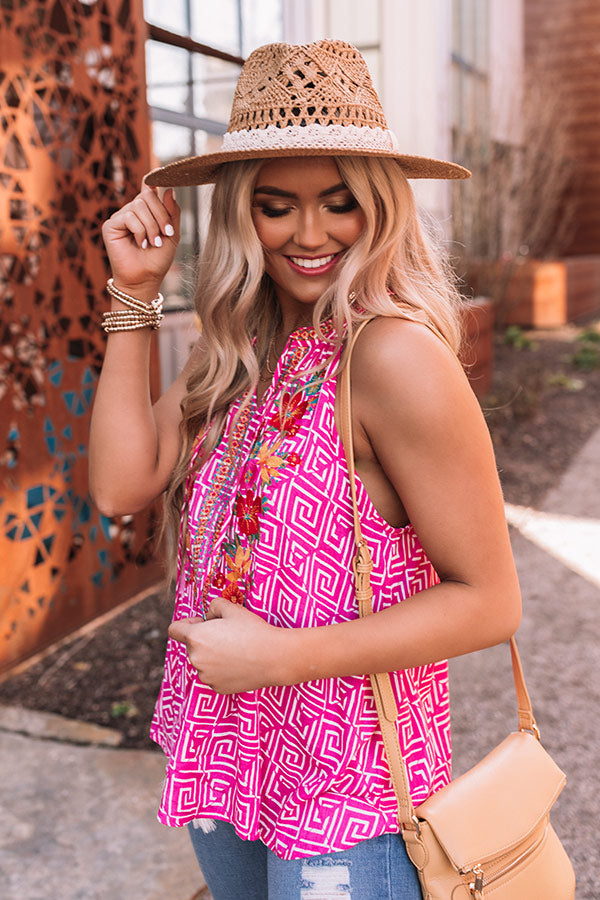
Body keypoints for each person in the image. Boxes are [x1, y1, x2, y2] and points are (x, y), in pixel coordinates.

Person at [89, 40, 521, 900]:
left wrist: (279, 658)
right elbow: (119, 485)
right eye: (278, 206)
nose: (311, 235)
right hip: (228, 754)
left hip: (346, 789)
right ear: (245, 214)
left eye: (339, 202)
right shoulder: (242, 350)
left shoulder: (393, 356)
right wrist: (133, 296)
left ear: (379, 205)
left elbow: (491, 600)